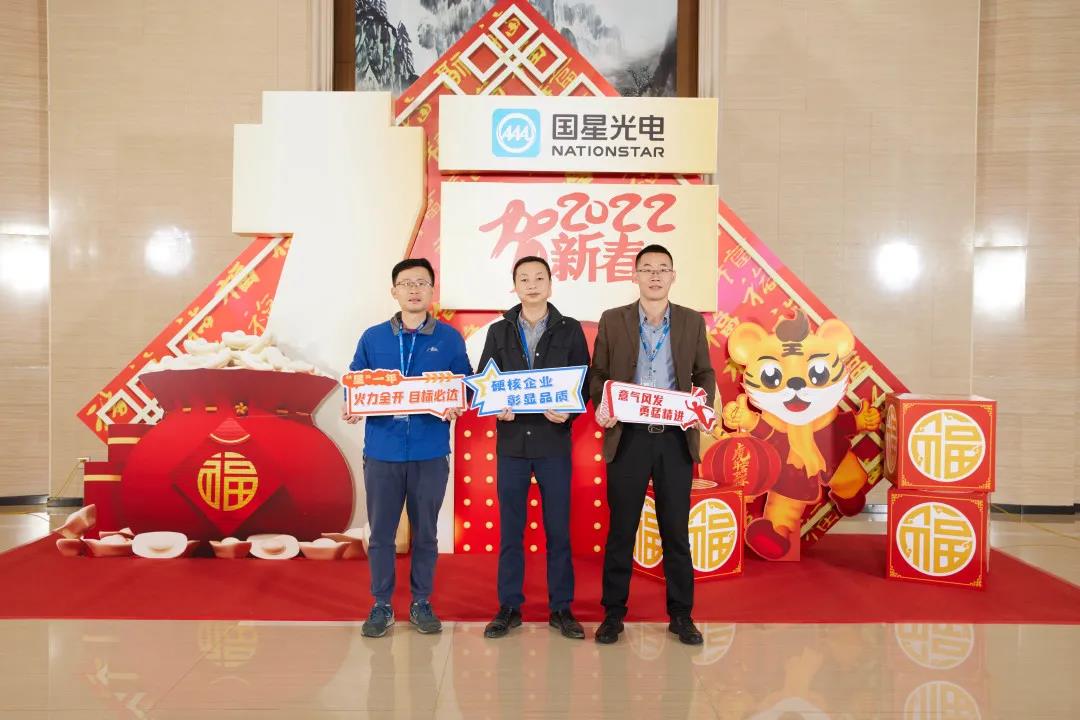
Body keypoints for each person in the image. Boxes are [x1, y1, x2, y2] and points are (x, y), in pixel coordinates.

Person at [589, 244, 716, 645]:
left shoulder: (692, 321)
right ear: (635, 275)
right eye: (647, 269)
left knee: (675, 531)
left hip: (674, 440)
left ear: (673, 275)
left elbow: (705, 373)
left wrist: (700, 407)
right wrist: (605, 405)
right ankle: (613, 614)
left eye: (663, 268)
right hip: (629, 438)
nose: (655, 275)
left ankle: (681, 615)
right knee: (622, 530)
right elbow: (598, 373)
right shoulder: (613, 320)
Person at [345, 257, 471, 638]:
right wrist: (352, 405)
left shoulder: (449, 339)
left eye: (421, 283)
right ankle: (381, 604)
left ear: (432, 291)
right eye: (406, 283)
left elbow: (465, 386)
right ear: (394, 291)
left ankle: (421, 602)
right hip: (382, 450)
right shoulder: (373, 338)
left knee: (426, 532)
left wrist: (458, 402)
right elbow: (356, 381)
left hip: (430, 451)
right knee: (381, 533)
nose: (414, 290)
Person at [478, 256, 591, 640]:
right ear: (515, 286)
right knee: (511, 531)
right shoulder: (499, 331)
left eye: (538, 278)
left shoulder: (569, 329)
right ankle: (509, 607)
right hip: (511, 444)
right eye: (523, 278)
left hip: (552, 444)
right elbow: (484, 381)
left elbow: (584, 383)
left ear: (550, 284)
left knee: (558, 530)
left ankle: (562, 608)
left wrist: (570, 412)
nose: (531, 284)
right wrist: (495, 405)